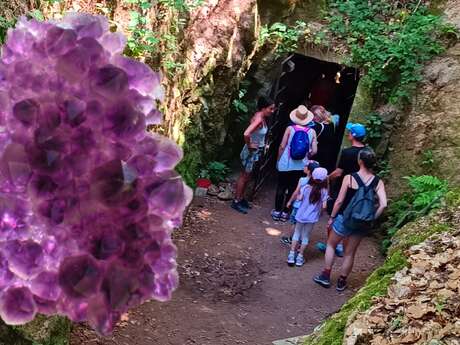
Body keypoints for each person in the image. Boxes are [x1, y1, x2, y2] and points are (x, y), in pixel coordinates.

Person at [313, 148, 387, 291]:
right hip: (362, 223)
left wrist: (332, 217)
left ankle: (326, 275)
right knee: (350, 252)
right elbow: (383, 204)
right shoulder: (378, 182)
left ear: (360, 161)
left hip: (345, 218)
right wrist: (371, 218)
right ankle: (342, 281)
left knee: (331, 245)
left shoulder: (350, 178)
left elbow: (340, 201)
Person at [315, 122, 368, 256]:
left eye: (350, 132)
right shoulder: (367, 152)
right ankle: (340, 245)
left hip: (345, 187)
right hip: (360, 190)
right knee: (348, 217)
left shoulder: (347, 152)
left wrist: (327, 178)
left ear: (353, 136)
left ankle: (332, 245)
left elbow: (339, 172)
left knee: (336, 214)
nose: (348, 133)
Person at [271, 105, 318, 221]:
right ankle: (286, 213)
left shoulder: (290, 129)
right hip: (301, 165)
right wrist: (307, 155)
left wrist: (278, 159)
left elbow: (282, 146)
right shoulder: (312, 131)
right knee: (293, 187)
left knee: (281, 186)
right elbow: (315, 150)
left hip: (286, 163)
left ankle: (277, 211)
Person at [232, 97, 275, 214]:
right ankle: (236, 201)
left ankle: (240, 198)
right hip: (251, 152)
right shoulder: (259, 120)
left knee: (247, 176)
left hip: (254, 151)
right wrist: (250, 144)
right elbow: (246, 133)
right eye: (270, 109)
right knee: (244, 176)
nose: (272, 111)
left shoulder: (260, 116)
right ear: (264, 108)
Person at [286, 167, 328, 267]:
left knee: (297, 233)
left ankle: (291, 255)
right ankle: (300, 257)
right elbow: (325, 206)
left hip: (300, 215)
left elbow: (299, 199)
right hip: (312, 217)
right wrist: (320, 212)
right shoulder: (324, 191)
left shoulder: (306, 188)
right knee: (305, 236)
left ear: (312, 176)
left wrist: (298, 196)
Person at [280, 161, 319, 246]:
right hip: (308, 208)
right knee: (304, 225)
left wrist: (290, 201)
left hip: (298, 206)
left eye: (306, 166)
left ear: (308, 171)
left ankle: (291, 239)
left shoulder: (302, 180)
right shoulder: (317, 184)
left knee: (294, 223)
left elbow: (295, 192)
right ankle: (301, 241)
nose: (304, 167)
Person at [309, 105, 340, 174]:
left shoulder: (317, 126)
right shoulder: (331, 124)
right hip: (328, 155)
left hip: (318, 155)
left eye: (314, 116)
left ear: (318, 115)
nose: (312, 118)